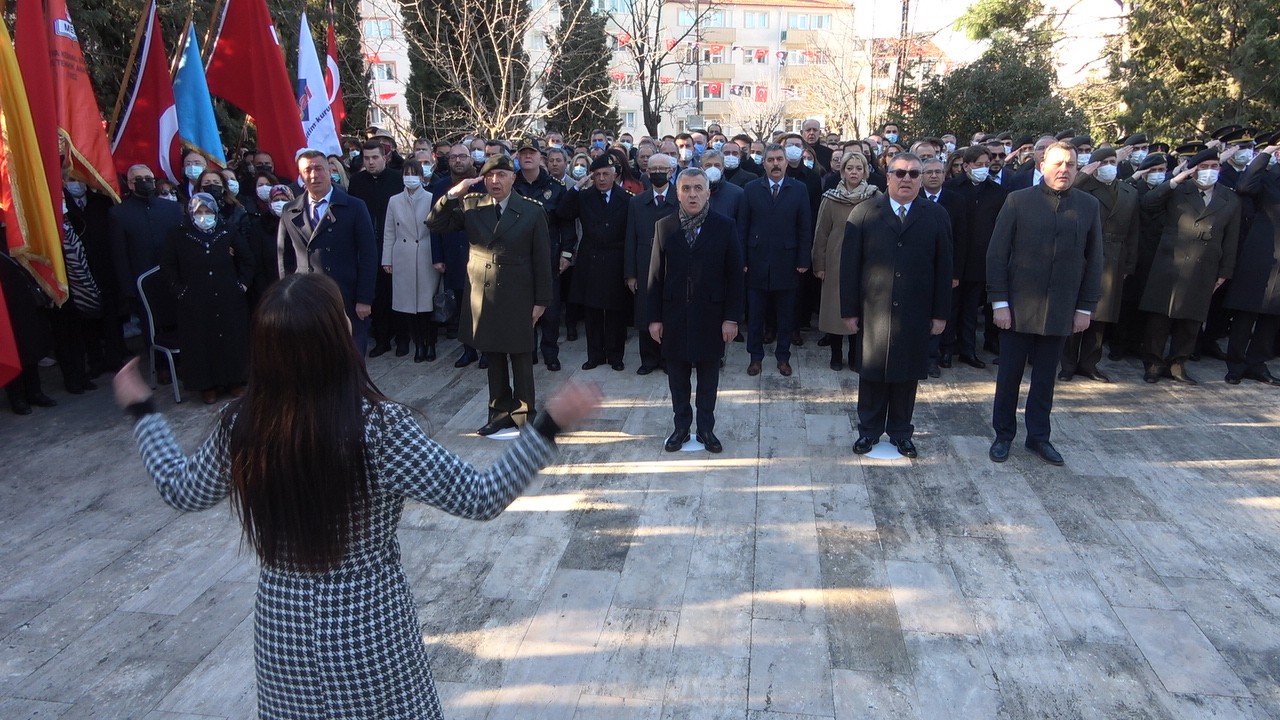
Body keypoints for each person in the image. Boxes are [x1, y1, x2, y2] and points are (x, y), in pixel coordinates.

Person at [112, 272, 601, 720]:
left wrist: (142, 411)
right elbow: (480, 497)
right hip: (369, 628)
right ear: (337, 337)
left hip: (284, 629)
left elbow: (181, 489)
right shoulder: (380, 428)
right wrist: (547, 425)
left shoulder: (242, 423)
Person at [986, 141, 1103, 466]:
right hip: (1018, 308)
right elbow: (997, 255)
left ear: (1078, 168)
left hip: (1061, 309)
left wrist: (1084, 307)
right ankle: (1003, 434)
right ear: (1042, 166)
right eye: (1057, 164)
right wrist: (999, 303)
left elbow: (1094, 260)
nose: (1064, 170)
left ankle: (1038, 436)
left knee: (1044, 380)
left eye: (1070, 164)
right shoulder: (1018, 201)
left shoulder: (1088, 205)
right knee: (1009, 376)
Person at [427, 154, 553, 435]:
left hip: (519, 293)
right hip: (482, 293)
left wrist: (542, 301)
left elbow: (543, 259)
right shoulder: (472, 206)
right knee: (493, 356)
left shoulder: (531, 210)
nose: (495, 181)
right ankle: (498, 413)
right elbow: (435, 224)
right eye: (489, 176)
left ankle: (523, 416)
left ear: (513, 178)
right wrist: (452, 195)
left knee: (521, 356)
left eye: (501, 175)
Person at [840, 153, 952, 458]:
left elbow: (944, 269)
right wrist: (848, 311)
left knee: (906, 375)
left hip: (915, 312)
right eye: (900, 173)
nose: (907, 179)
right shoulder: (864, 213)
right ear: (887, 176)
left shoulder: (936, 215)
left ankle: (901, 432)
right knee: (872, 374)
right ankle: (869, 431)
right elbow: (849, 267)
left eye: (914, 174)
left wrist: (940, 314)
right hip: (873, 311)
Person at [646, 168, 743, 454]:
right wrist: (654, 318)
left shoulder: (724, 226)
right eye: (686, 188)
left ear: (708, 192)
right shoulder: (664, 226)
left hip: (711, 316)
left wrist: (732, 317)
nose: (692, 194)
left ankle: (706, 429)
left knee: (708, 377)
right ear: (677, 194)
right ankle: (680, 427)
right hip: (674, 316)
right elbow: (654, 276)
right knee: (677, 377)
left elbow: (735, 276)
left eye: (698, 188)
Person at [1139, 148, 1241, 384]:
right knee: (1160, 317)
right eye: (1204, 168)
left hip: (1205, 265)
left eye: (1214, 167)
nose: (1209, 172)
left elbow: (1232, 238)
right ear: (1193, 170)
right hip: (1171, 261)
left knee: (1192, 319)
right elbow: (1148, 203)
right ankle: (1153, 363)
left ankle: (1178, 363)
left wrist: (1225, 272)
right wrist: (1174, 180)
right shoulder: (1178, 191)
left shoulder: (1229, 198)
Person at [278, 149, 379, 355]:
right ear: (300, 175)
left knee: (350, 362)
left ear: (329, 170)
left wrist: (364, 298)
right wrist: (287, 297)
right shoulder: (290, 210)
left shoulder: (354, 206)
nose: (314, 175)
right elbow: (284, 258)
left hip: (346, 298)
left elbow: (368, 254)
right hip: (306, 299)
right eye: (307, 170)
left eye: (319, 168)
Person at [159, 193, 254, 403]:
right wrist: (180, 291)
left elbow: (246, 259)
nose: (204, 216)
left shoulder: (227, 231)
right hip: (195, 300)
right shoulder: (178, 235)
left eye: (208, 211)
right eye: (199, 212)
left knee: (232, 339)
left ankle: (235, 381)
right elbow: (168, 267)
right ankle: (207, 386)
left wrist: (242, 285)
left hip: (228, 296)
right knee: (201, 342)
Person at [1058, 147, 1139, 382]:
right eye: (1104, 162)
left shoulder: (1128, 192)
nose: (1110, 165)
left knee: (1100, 317)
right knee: (1077, 312)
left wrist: (1128, 265)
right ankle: (1068, 363)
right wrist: (1085, 172)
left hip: (1113, 260)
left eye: (1113, 161)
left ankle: (1089, 363)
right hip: (1084, 256)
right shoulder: (1083, 187)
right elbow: (1066, 189)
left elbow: (1133, 232)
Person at [741, 144, 813, 377]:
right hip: (756, 260)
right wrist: (742, 259)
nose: (775, 164)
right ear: (764, 163)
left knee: (785, 317)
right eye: (770, 159)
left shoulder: (799, 189)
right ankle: (755, 358)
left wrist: (803, 258)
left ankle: (783, 357)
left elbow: (805, 227)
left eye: (779, 159)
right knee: (755, 316)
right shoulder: (751, 189)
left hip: (787, 261)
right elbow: (742, 227)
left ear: (786, 162)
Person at [109, 164, 184, 380]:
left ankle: (183, 362)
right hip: (142, 282)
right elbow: (120, 254)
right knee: (151, 324)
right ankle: (161, 366)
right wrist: (128, 289)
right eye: (139, 179)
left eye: (149, 177)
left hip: (173, 276)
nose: (145, 182)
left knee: (179, 318)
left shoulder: (171, 209)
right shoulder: (118, 214)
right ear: (131, 184)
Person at [558, 153, 633, 371]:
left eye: (605, 174)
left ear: (615, 176)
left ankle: (615, 356)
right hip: (590, 260)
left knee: (615, 313)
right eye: (597, 174)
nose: (601, 179)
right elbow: (563, 211)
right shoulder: (584, 196)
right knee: (592, 313)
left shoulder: (627, 199)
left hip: (615, 260)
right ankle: (595, 355)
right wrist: (576, 187)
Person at [813, 151, 880, 370]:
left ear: (865, 171)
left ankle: (855, 355)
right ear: (842, 171)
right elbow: (821, 233)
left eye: (858, 168)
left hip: (865, 263)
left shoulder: (876, 197)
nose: (854, 172)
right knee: (835, 311)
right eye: (849, 168)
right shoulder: (831, 198)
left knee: (859, 310)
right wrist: (819, 264)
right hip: (835, 263)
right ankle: (835, 354)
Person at [513, 137, 575, 371]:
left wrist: (567, 254)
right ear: (517, 158)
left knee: (550, 308)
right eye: (523, 153)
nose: (528, 157)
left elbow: (566, 223)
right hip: (518, 257)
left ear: (541, 158)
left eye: (533, 153)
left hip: (549, 257)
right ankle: (527, 352)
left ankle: (550, 352)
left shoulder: (555, 188)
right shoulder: (512, 185)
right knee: (522, 308)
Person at [349, 140, 407, 358]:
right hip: (368, 246)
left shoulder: (396, 178)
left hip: (394, 243)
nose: (371, 162)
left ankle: (403, 338)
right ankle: (382, 340)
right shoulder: (357, 181)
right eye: (366, 158)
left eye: (375, 157)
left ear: (385, 157)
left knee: (397, 293)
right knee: (377, 296)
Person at [381, 160, 442, 363]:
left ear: (421, 176)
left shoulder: (431, 197)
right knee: (409, 307)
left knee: (427, 306)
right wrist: (387, 259)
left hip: (425, 254)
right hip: (403, 256)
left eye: (413, 173)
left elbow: (437, 228)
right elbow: (389, 231)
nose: (410, 177)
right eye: (406, 173)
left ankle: (430, 343)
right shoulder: (394, 200)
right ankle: (418, 345)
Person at [625, 153, 678, 374]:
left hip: (672, 264)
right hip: (644, 264)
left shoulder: (680, 199)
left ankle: (668, 358)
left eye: (662, 168)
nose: (657, 172)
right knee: (645, 312)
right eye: (653, 168)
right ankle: (648, 359)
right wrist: (630, 274)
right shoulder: (637, 202)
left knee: (670, 312)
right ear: (647, 172)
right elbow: (630, 238)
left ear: (671, 172)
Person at [429, 144, 482, 363]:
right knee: (462, 308)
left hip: (480, 254)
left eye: (462, 157)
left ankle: (486, 350)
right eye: (453, 158)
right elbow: (434, 222)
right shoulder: (441, 187)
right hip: (454, 255)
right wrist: (437, 256)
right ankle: (468, 349)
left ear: (471, 159)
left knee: (482, 306)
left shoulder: (483, 185)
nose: (458, 161)